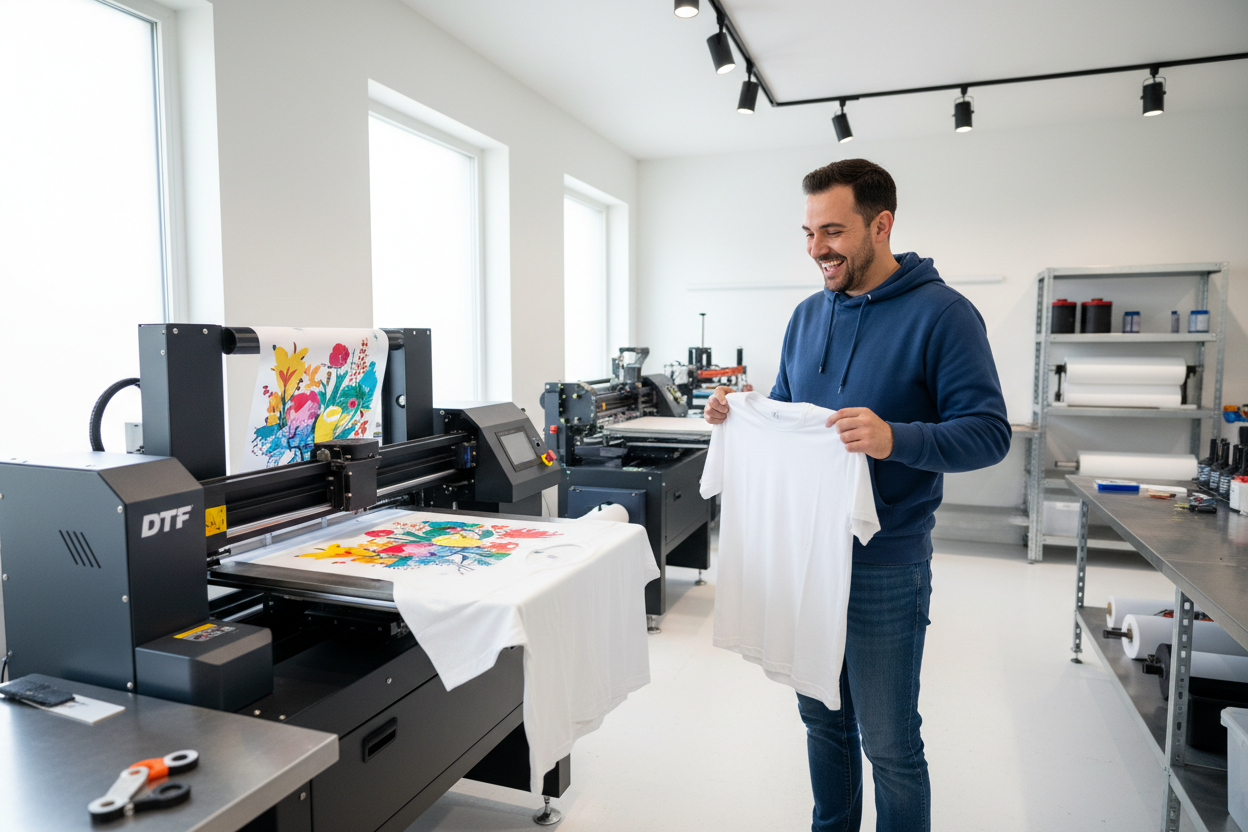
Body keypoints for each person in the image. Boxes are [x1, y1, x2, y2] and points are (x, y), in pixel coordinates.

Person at [704, 158, 1010, 832]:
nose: (818, 249)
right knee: (820, 717)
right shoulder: (807, 315)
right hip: (805, 554)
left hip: (885, 564)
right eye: (809, 233)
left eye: (833, 232)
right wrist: (743, 414)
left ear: (882, 224)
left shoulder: (945, 316)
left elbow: (988, 435)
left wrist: (893, 438)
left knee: (889, 743)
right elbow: (789, 415)